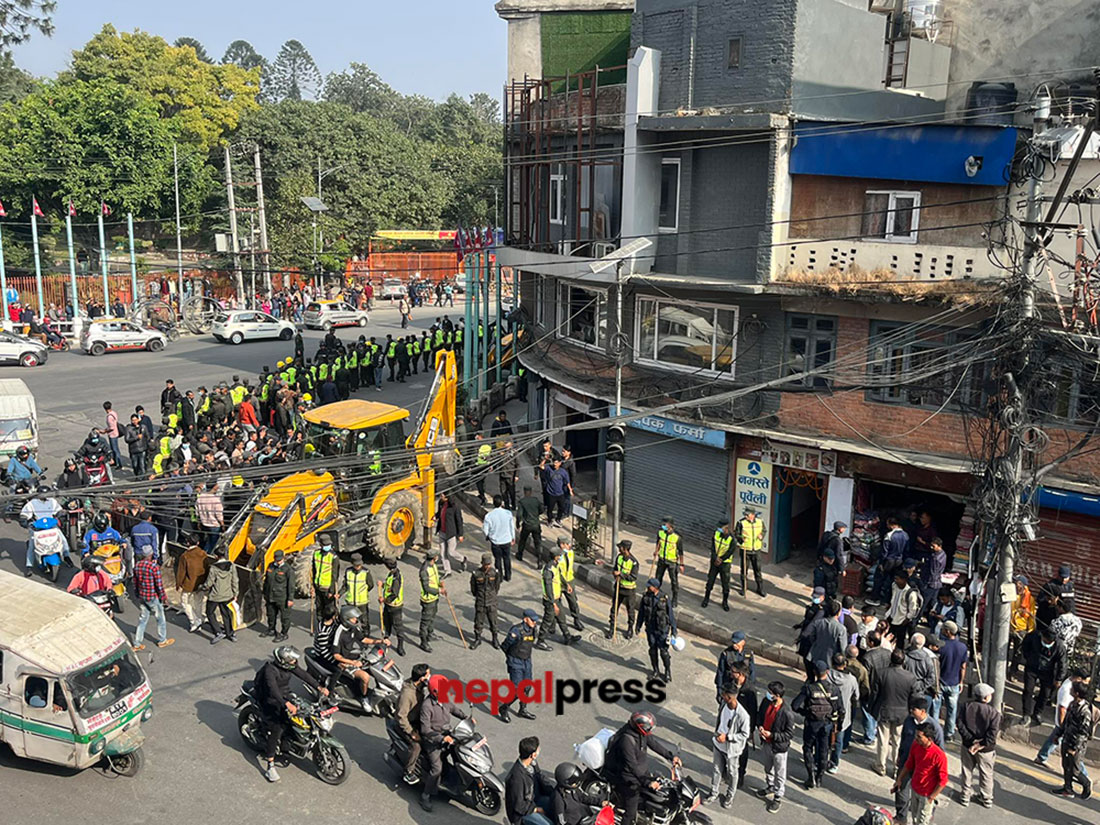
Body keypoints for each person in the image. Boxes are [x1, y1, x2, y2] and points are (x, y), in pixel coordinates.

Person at [253, 645, 327, 783]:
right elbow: (273, 689)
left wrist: (319, 687)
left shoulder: (289, 666)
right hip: (270, 699)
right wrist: (286, 704)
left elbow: (303, 674)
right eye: (292, 660)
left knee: (303, 714)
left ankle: (287, 746)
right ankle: (270, 765)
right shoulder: (270, 670)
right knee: (277, 728)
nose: (294, 663)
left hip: (285, 695)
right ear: (283, 661)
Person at [604, 711, 682, 825]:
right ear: (640, 727)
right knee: (630, 812)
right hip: (627, 777)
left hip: (640, 772)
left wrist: (670, 756)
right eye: (648, 728)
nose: (650, 731)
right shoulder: (626, 740)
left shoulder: (642, 734)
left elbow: (654, 744)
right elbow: (631, 765)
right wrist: (646, 782)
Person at [792, 660, 842, 790]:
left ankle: (810, 777)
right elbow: (841, 710)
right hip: (827, 725)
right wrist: (838, 726)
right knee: (824, 751)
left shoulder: (809, 688)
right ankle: (819, 778)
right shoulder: (834, 689)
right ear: (827, 672)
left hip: (811, 724)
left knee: (808, 748)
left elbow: (795, 705)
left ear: (814, 672)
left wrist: (805, 713)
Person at [871, 648, 919, 776]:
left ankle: (881, 766)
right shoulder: (910, 677)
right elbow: (914, 697)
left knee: (883, 740)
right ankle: (897, 768)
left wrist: (873, 709)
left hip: (885, 710)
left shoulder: (881, 673)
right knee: (898, 741)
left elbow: (874, 694)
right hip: (902, 713)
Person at [893, 697, 944, 819]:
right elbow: (904, 738)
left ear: (923, 711)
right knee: (901, 789)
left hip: (923, 767)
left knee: (921, 796)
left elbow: (940, 750)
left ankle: (928, 810)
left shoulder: (934, 727)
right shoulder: (909, 721)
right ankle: (901, 816)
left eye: (914, 709)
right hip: (907, 760)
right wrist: (900, 754)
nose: (911, 711)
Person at [891, 723, 948, 825]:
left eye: (919, 737)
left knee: (922, 822)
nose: (916, 738)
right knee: (914, 818)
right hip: (915, 789)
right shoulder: (915, 745)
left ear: (929, 739)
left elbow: (943, 780)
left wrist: (931, 797)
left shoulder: (939, 755)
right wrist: (899, 779)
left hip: (927, 794)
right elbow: (909, 764)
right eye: (916, 735)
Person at [1035, 668, 1091, 771]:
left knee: (1054, 739)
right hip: (1067, 724)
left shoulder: (1070, 683)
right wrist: (1063, 726)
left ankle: (1042, 756)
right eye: (1085, 682)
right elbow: (1062, 708)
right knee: (1074, 751)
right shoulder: (1068, 689)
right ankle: (1083, 774)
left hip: (1066, 723)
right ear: (1078, 679)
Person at [1051, 681, 1099, 799]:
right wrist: (1058, 735)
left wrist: (1074, 748)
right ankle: (1068, 788)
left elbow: (1083, 733)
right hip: (1067, 739)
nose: (1070, 690)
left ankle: (1086, 784)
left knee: (1075, 769)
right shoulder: (1073, 704)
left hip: (1076, 745)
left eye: (1072, 689)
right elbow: (1066, 722)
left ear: (1077, 693)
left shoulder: (1084, 711)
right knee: (1066, 765)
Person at [957, 683, 1000, 808]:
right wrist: (980, 743)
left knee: (967, 770)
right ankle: (986, 798)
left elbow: (960, 725)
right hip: (986, 749)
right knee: (986, 773)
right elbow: (992, 735)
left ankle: (965, 796)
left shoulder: (965, 707)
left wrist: (971, 741)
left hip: (967, 745)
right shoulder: (994, 713)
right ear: (986, 698)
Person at [707, 685, 751, 808]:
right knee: (716, 769)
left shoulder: (743, 715)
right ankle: (713, 792)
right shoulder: (723, 705)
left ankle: (730, 796)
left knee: (732, 772)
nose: (722, 696)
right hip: (718, 744)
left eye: (724, 695)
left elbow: (745, 734)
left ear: (730, 697)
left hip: (731, 750)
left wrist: (727, 737)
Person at [756, 679, 794, 814]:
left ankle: (778, 796)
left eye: (770, 693)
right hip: (766, 743)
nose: (768, 694)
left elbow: (789, 734)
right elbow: (759, 716)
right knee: (768, 768)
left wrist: (772, 735)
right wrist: (760, 726)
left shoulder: (786, 712)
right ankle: (770, 786)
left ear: (777, 695)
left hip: (779, 747)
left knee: (780, 773)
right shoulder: (766, 702)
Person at [499, 609, 540, 723]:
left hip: (526, 661)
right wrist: (511, 658)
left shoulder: (533, 629)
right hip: (515, 662)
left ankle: (522, 709)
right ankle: (504, 708)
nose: (534, 623)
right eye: (532, 620)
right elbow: (505, 646)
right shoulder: (516, 630)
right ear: (525, 619)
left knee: (527, 687)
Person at [132, 546, 175, 651]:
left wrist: (137, 594)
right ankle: (162, 640)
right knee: (160, 618)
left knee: (142, 620)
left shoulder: (137, 566)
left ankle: (137, 644)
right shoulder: (154, 567)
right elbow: (159, 585)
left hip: (142, 596)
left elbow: (135, 582)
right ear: (151, 555)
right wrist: (164, 597)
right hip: (152, 597)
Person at [504, 736, 554, 825]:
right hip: (523, 813)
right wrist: (535, 809)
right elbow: (518, 806)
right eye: (538, 749)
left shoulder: (532, 763)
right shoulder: (516, 778)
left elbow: (541, 777)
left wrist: (553, 792)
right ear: (533, 755)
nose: (540, 750)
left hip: (535, 799)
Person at [1021, 627, 1066, 724]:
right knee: (1028, 690)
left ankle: (1037, 713)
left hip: (1048, 671)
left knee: (1045, 694)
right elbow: (1024, 645)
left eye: (1049, 642)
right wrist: (1028, 657)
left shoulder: (1059, 646)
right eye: (1045, 641)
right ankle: (1026, 714)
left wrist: (1059, 678)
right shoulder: (1034, 636)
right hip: (1032, 667)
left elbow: (1063, 663)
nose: (1047, 643)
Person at [536, 545, 578, 648]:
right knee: (547, 621)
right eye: (560, 555)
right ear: (555, 557)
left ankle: (567, 637)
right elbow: (548, 588)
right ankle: (540, 641)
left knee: (562, 618)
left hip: (557, 598)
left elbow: (560, 576)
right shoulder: (548, 570)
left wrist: (566, 584)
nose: (561, 557)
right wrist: (553, 603)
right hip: (551, 600)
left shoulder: (556, 565)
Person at [395, 663, 430, 784]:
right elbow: (401, 717)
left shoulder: (419, 686)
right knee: (416, 746)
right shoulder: (407, 694)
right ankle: (408, 772)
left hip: (418, 719)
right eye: (428, 675)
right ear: (421, 678)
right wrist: (411, 732)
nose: (430, 677)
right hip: (407, 724)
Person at [636, 578, 676, 683]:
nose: (648, 587)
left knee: (664, 652)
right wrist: (638, 625)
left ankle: (667, 671)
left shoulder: (664, 598)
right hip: (650, 628)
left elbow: (670, 615)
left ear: (655, 587)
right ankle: (656, 671)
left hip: (662, 629)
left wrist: (674, 630)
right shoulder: (646, 597)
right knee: (652, 650)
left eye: (650, 586)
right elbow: (641, 612)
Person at [826, 652, 859, 773]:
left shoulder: (827, 675)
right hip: (843, 714)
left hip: (827, 711)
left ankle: (822, 758)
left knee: (824, 737)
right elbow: (856, 696)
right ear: (844, 664)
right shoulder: (851, 679)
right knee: (839, 740)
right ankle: (834, 763)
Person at [937, 621, 968, 741]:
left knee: (936, 709)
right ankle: (949, 733)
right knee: (952, 710)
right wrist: (961, 682)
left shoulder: (941, 646)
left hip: (940, 682)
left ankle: (936, 732)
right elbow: (963, 666)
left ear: (948, 632)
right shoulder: (962, 647)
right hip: (954, 683)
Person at [860, 631, 890, 745]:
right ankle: (875, 731)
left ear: (871, 642)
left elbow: (865, 676)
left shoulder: (867, 657)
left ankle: (869, 737)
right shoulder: (888, 653)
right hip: (885, 688)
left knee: (868, 713)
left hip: (871, 689)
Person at [203, 547, 238, 644]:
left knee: (209, 612)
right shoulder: (232, 565)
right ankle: (230, 633)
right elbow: (235, 580)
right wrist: (235, 593)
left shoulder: (213, 568)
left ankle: (218, 632)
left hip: (215, 595)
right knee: (226, 614)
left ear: (216, 556)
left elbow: (209, 583)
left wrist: (203, 587)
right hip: (227, 594)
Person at [805, 600, 846, 680]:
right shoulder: (841, 629)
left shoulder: (818, 622)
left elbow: (812, 636)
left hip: (816, 654)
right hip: (831, 658)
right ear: (838, 613)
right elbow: (843, 647)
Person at [871, 516, 909, 605]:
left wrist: (881, 563)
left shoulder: (889, 535)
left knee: (879, 578)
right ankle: (887, 600)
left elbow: (885, 551)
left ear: (891, 525)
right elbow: (907, 550)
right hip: (899, 561)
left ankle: (875, 598)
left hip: (889, 561)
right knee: (893, 581)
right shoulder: (906, 535)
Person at [175, 539, 209, 633]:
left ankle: (193, 622)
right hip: (201, 583)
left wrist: (178, 584)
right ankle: (199, 619)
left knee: (185, 602)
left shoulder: (185, 556)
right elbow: (207, 569)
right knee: (198, 602)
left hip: (188, 584)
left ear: (188, 543)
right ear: (198, 543)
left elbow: (181, 572)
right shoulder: (203, 553)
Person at [469, 552, 501, 649]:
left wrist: (492, 595)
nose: (487, 566)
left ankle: (495, 639)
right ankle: (477, 638)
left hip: (491, 601)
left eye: (488, 564)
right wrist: (478, 596)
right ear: (482, 563)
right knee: (478, 622)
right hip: (480, 601)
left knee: (493, 622)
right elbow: (473, 588)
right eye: (485, 564)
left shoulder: (494, 573)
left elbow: (496, 586)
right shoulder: (476, 574)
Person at [608, 539, 638, 639]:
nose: (619, 549)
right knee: (614, 609)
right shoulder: (619, 557)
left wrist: (621, 574)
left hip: (629, 590)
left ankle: (630, 629)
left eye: (620, 547)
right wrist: (614, 574)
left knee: (630, 611)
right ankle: (612, 628)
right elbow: (615, 569)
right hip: (618, 587)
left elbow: (633, 577)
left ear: (625, 549)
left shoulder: (633, 562)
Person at [703, 519, 736, 610]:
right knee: (710, 580)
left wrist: (721, 559)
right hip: (714, 562)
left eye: (720, 527)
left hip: (725, 564)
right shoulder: (716, 534)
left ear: (726, 528)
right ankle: (706, 599)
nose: (718, 529)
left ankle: (725, 602)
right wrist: (715, 558)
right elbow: (712, 547)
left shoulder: (732, 540)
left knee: (725, 583)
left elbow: (730, 552)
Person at [261, 550, 294, 641]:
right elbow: (267, 581)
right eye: (276, 560)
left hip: (282, 597)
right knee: (271, 614)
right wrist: (264, 593)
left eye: (279, 560)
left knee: (284, 617)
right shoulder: (271, 566)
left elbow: (291, 586)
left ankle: (284, 633)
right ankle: (271, 629)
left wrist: (290, 599)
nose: (278, 562)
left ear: (283, 558)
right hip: (270, 596)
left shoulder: (288, 569)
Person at [885, 571, 922, 649]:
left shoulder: (910, 593)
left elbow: (913, 609)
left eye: (897, 579)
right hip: (891, 616)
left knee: (899, 641)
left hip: (901, 620)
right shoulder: (894, 586)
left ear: (904, 580)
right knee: (889, 638)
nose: (895, 580)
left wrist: (907, 619)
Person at [483, 494, 516, 582]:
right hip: (506, 540)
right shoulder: (508, 513)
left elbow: (485, 529)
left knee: (498, 559)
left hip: (496, 542)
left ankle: (499, 577)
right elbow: (511, 527)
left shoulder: (489, 516)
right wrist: (513, 537)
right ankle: (508, 575)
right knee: (507, 558)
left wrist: (489, 536)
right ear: (501, 503)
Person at [735, 508, 767, 597]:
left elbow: (764, 530)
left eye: (747, 515)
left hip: (756, 550)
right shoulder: (741, 523)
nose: (745, 516)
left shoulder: (760, 522)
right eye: (745, 515)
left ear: (752, 515)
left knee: (758, 570)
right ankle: (743, 588)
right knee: (744, 570)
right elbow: (736, 534)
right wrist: (741, 539)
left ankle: (760, 589)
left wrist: (762, 535)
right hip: (745, 549)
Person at [1009, 574, 1036, 677]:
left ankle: (1013, 672)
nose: (1016, 585)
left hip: (1021, 630)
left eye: (1018, 583)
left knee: (1018, 653)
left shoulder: (1030, 599)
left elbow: (1031, 616)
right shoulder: (1011, 595)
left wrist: (1030, 632)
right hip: (1008, 628)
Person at [653, 518, 684, 607]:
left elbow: (681, 552)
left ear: (670, 526)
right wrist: (656, 551)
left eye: (665, 524)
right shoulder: (660, 533)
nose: (663, 526)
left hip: (672, 562)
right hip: (662, 560)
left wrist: (681, 564)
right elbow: (658, 543)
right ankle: (655, 593)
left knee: (674, 581)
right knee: (658, 578)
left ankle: (675, 598)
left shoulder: (677, 538)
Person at [418, 548, 444, 653]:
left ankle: (430, 634)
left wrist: (440, 583)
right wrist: (439, 590)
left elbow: (435, 579)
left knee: (432, 617)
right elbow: (426, 588)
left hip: (434, 598)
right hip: (428, 600)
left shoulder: (433, 566)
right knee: (425, 622)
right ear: (434, 558)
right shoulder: (424, 570)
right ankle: (423, 642)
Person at [380, 558, 407, 657]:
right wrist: (382, 585)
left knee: (398, 627)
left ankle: (400, 647)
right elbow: (389, 587)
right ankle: (386, 639)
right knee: (387, 623)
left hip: (395, 606)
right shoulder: (391, 574)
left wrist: (384, 599)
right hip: (388, 605)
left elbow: (394, 594)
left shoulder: (396, 577)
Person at [434, 491, 465, 576]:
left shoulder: (454, 506)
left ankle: (462, 559)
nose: (441, 496)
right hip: (442, 532)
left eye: (442, 495)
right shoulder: (441, 503)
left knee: (451, 552)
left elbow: (459, 521)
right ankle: (447, 571)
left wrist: (460, 534)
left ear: (446, 497)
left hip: (451, 533)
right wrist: (435, 517)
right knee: (442, 553)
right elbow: (439, 513)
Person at [556, 536, 583, 631]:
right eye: (567, 544)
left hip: (569, 581)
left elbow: (578, 559)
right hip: (559, 584)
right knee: (556, 605)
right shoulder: (557, 557)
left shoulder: (570, 553)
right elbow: (558, 573)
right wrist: (565, 584)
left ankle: (576, 619)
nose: (569, 546)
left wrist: (593, 561)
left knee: (573, 602)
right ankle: (554, 623)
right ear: (562, 545)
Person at [1036, 564, 1075, 630]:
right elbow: (1040, 599)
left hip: (1064, 618)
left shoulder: (1070, 586)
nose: (1063, 580)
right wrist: (1050, 602)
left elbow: (1071, 601)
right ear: (1058, 576)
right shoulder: (1050, 585)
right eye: (1062, 577)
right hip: (1049, 617)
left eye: (1066, 578)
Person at [341, 552, 373, 633]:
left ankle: (365, 638)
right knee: (350, 621)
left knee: (364, 622)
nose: (358, 566)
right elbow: (345, 585)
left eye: (359, 564)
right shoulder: (348, 572)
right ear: (352, 564)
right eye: (356, 565)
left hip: (362, 602)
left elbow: (370, 585)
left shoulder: (366, 572)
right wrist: (339, 593)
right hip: (350, 602)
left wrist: (363, 592)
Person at [311, 534, 340, 617]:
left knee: (330, 610)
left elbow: (335, 575)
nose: (327, 546)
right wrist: (312, 585)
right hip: (318, 586)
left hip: (327, 588)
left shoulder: (333, 557)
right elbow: (314, 571)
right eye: (325, 545)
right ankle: (321, 626)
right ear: (320, 545)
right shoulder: (316, 554)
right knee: (319, 608)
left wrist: (332, 591)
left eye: (328, 545)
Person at [514, 485, 543, 563]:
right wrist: (536, 514)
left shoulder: (522, 502)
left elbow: (519, 515)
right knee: (538, 542)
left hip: (527, 525)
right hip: (536, 524)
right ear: (531, 492)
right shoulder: (536, 500)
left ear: (524, 492)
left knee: (523, 540)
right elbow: (542, 509)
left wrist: (517, 524)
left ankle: (520, 555)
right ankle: (539, 559)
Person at [541, 457, 572, 527]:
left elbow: (567, 481)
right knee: (550, 508)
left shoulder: (563, 472)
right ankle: (549, 520)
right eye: (554, 462)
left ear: (560, 463)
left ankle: (558, 519)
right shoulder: (549, 469)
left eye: (557, 463)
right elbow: (541, 466)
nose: (555, 464)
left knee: (562, 507)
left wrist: (570, 489)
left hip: (560, 493)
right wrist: (545, 459)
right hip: (551, 493)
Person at [100, 400, 122, 468]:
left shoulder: (109, 417)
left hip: (112, 434)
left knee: (115, 449)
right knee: (115, 449)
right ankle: (116, 461)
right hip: (116, 432)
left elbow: (111, 427)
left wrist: (104, 431)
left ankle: (119, 463)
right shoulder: (114, 413)